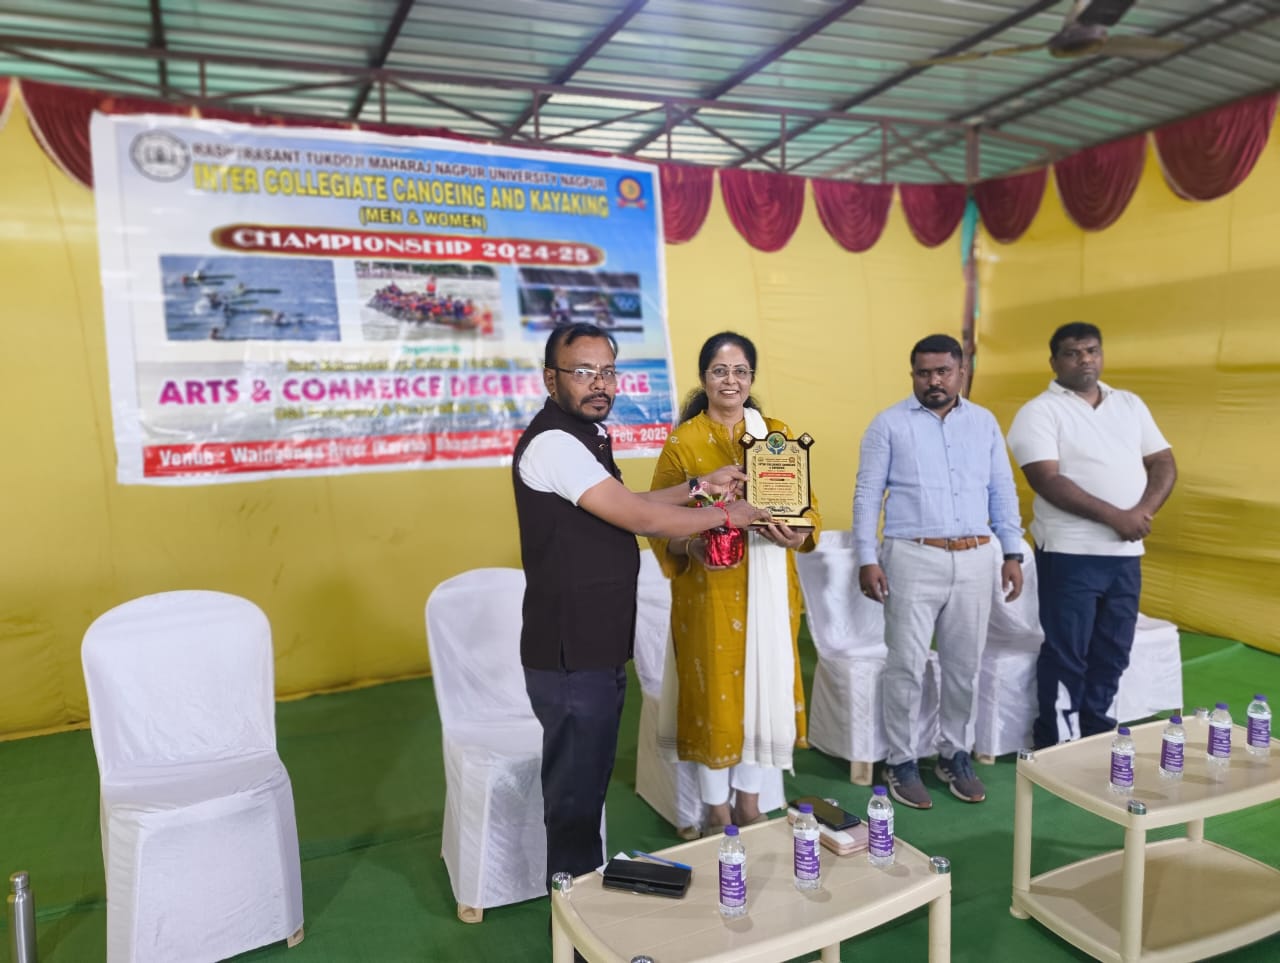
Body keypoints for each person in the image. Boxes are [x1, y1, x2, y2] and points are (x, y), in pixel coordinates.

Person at [512, 322, 769, 892]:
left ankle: (582, 905)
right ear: (551, 379)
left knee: (586, 786)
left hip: (594, 645)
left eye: (607, 371)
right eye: (583, 372)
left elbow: (629, 501)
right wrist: (728, 515)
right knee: (576, 799)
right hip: (571, 651)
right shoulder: (555, 443)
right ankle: (574, 919)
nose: (599, 383)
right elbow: (641, 518)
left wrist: (699, 485)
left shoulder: (584, 437)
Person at [648, 332, 821, 832]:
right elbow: (655, 522)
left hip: (770, 585)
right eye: (720, 371)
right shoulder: (683, 442)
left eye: (740, 371)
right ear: (704, 378)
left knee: (762, 692)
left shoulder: (778, 435)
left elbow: (808, 507)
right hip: (709, 591)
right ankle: (715, 809)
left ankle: (748, 802)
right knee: (714, 697)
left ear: (752, 378)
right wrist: (691, 546)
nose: (731, 380)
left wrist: (797, 533)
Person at [853, 333, 1024, 809]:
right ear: (912, 375)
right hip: (911, 556)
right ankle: (901, 761)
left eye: (943, 372)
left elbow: (1002, 490)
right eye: (924, 373)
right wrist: (866, 557)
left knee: (964, 667)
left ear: (961, 372)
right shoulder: (888, 424)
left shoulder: (984, 423)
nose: (934, 381)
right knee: (906, 665)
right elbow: (868, 494)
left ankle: (954, 754)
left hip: (976, 558)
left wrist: (1012, 552)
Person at [1007, 322, 1176, 749]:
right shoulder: (1039, 412)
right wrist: (1117, 517)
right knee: (1068, 652)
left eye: (1092, 350)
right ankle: (1056, 744)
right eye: (1073, 353)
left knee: (1113, 650)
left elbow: (1163, 462)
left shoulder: (1129, 403)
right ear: (1054, 362)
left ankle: (1097, 735)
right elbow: (1046, 480)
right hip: (1069, 554)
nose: (1085, 359)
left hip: (1125, 554)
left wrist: (1141, 513)